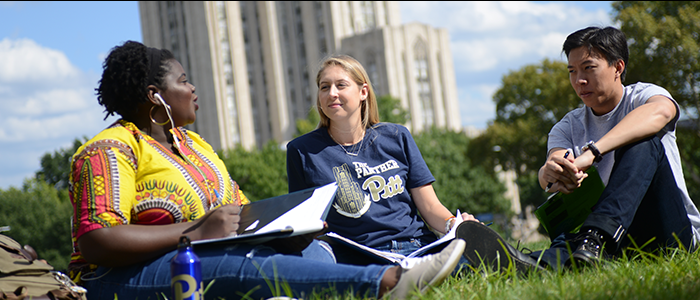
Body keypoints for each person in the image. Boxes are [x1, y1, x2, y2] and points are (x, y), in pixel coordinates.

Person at [66, 40, 466, 300]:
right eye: (184, 81)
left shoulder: (195, 147)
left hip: (204, 255)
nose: (193, 89)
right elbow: (96, 242)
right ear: (155, 96)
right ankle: (388, 284)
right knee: (237, 265)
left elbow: (241, 212)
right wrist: (193, 232)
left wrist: (284, 229)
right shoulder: (108, 149)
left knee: (308, 249)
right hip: (118, 280)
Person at [464, 26, 700, 271]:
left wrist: (592, 154)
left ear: (617, 67)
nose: (579, 80)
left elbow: (661, 111)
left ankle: (595, 236)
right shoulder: (567, 126)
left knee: (643, 140)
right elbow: (554, 161)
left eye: (588, 68)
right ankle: (500, 265)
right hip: (612, 244)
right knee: (562, 251)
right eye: (572, 71)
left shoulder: (642, 96)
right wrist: (553, 173)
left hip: (669, 233)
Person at [286, 54, 483, 267]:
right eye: (324, 87)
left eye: (341, 85)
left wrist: (455, 225)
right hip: (353, 255)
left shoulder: (396, 136)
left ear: (363, 92)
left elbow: (429, 205)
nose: (332, 93)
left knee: (473, 253)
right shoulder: (302, 151)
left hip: (415, 246)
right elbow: (305, 221)